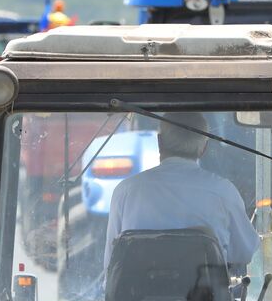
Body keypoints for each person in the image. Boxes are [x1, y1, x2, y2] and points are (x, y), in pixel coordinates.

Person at [103, 113, 260, 272]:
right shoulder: (223, 191)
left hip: (134, 296)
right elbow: (245, 253)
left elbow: (112, 262)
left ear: (159, 143)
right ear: (204, 148)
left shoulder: (126, 190)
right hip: (206, 296)